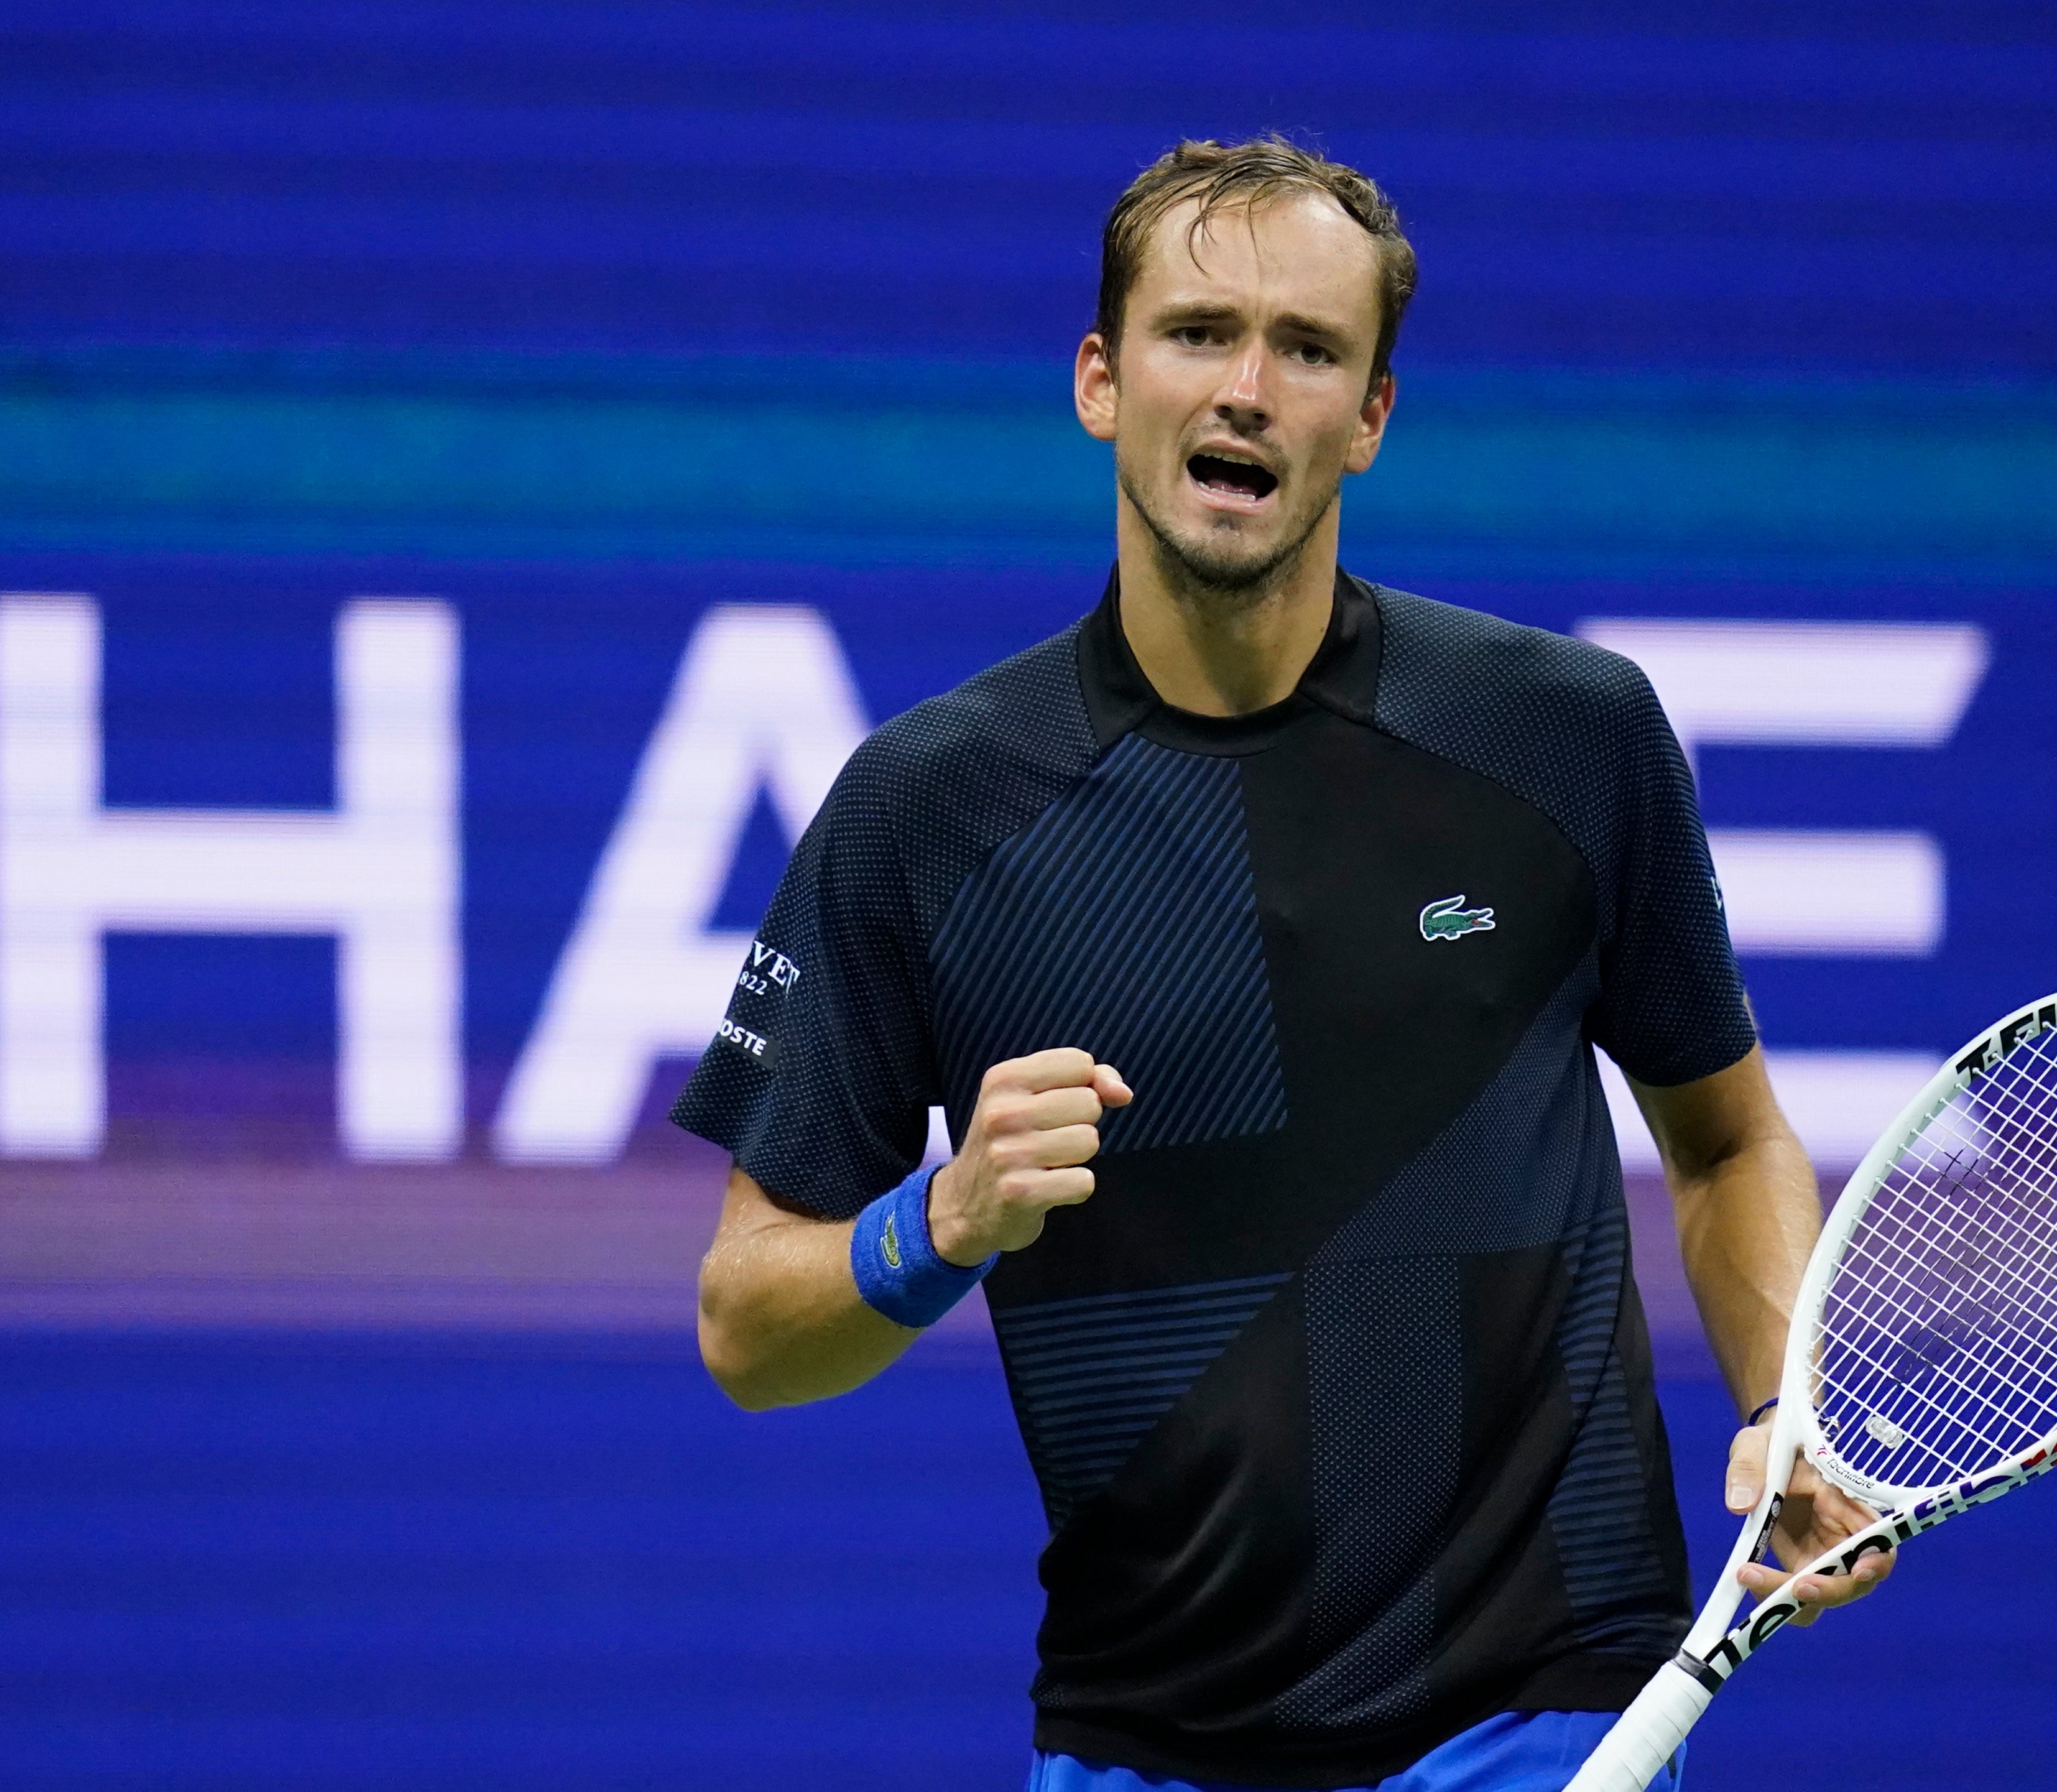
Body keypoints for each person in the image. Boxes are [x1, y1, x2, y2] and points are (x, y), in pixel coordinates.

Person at [672, 135, 1890, 1792]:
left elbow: (1727, 1136)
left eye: (1308, 350)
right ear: (1102, 380)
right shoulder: (928, 807)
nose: (1246, 389)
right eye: (1196, 333)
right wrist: (942, 1218)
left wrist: (1786, 1396)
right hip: (1148, 1740)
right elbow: (747, 1320)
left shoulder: (1561, 737)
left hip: (1534, 1704)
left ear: (1373, 415)